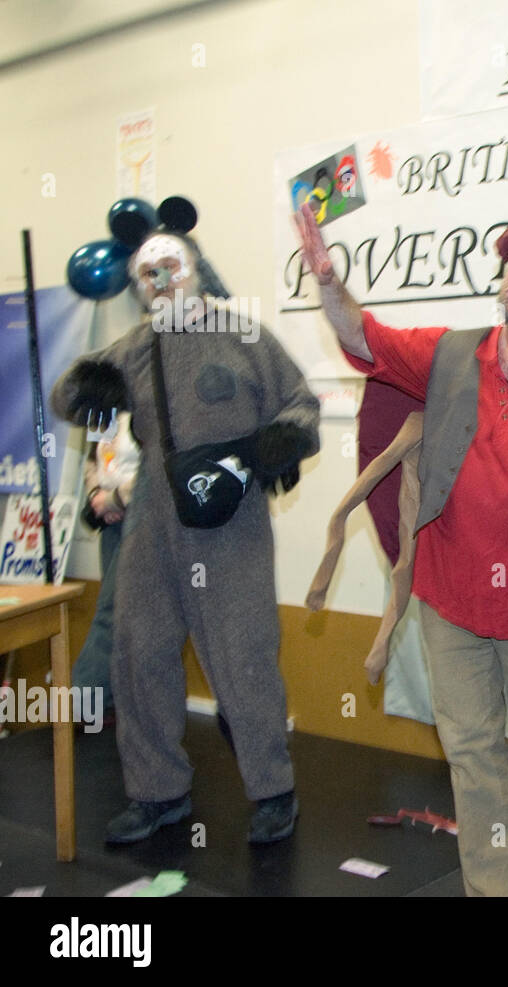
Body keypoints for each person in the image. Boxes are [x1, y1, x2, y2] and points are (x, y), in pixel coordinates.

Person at [294, 205, 508, 896]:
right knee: (473, 753)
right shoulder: (452, 354)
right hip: (450, 596)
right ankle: (496, 887)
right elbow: (366, 335)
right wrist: (329, 279)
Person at [54, 197, 319, 846]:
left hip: (231, 513)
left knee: (243, 654)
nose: (161, 278)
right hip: (152, 509)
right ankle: (156, 792)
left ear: (194, 267)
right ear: (139, 288)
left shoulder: (244, 334)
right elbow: (66, 396)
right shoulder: (134, 347)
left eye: (170, 264)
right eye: (147, 273)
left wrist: (283, 440)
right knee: (138, 653)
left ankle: (273, 791)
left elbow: (300, 402)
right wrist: (89, 385)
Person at [72, 412, 141, 725]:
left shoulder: (150, 398)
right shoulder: (104, 406)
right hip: (110, 520)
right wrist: (96, 497)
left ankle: (78, 702)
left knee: (112, 611)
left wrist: (116, 499)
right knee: (119, 614)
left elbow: (158, 467)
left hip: (143, 517)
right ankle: (109, 701)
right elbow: (92, 460)